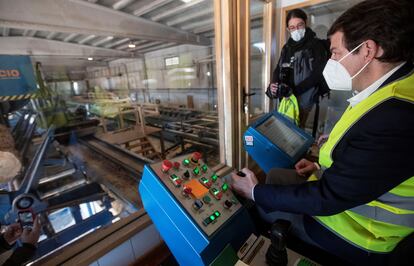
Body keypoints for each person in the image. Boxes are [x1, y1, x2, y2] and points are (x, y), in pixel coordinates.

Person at [232, 0, 414, 264]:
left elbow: (328, 198)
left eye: (336, 53)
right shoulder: (390, 89)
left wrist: (255, 192)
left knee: (258, 211)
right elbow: (368, 163)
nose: (332, 62)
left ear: (367, 50)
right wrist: (320, 164)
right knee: (276, 175)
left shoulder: (395, 116)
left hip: (360, 233)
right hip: (347, 196)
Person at [266, 8, 329, 128]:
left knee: (295, 133)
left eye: (300, 25)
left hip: (303, 100)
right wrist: (273, 84)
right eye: (292, 27)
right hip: (285, 98)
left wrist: (293, 91)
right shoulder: (287, 47)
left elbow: (318, 74)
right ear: (288, 29)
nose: (296, 30)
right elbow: (279, 68)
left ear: (306, 23)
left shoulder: (315, 45)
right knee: (283, 131)